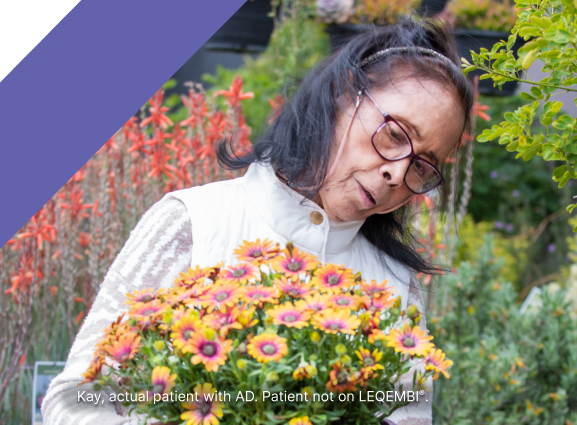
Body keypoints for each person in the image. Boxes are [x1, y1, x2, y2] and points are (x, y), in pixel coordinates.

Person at [42, 17, 473, 425]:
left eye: (421, 166)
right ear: (345, 93)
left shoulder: (397, 290)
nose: (397, 174)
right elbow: (75, 399)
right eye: (395, 135)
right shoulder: (192, 222)